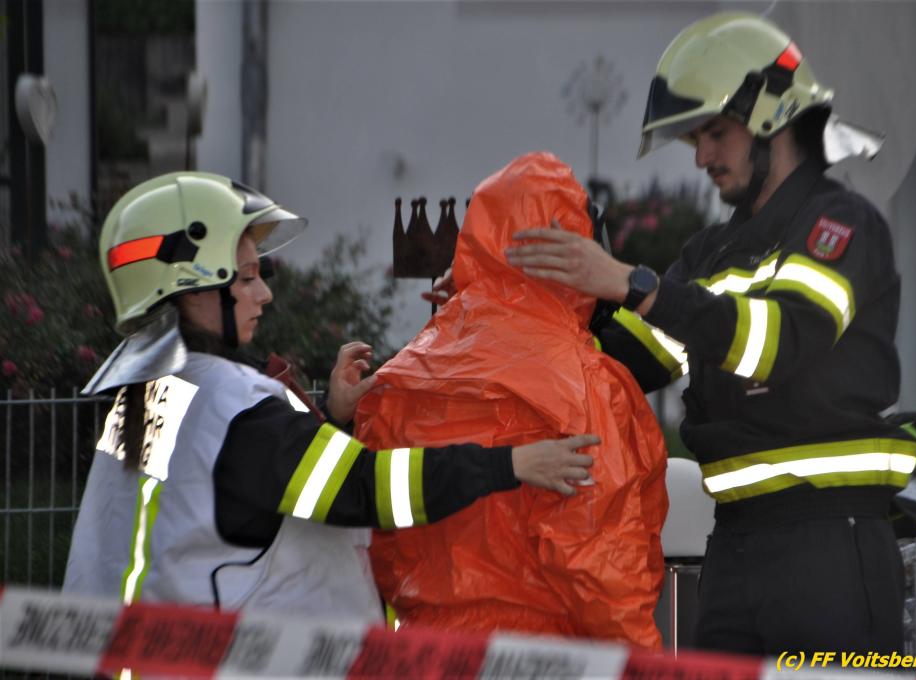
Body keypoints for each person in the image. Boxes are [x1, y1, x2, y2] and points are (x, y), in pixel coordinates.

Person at [503, 12, 916, 655]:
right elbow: (629, 362)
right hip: (734, 547)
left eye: (716, 134)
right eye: (696, 139)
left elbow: (779, 344)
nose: (701, 158)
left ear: (775, 119)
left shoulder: (838, 225)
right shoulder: (709, 254)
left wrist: (632, 283)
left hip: (828, 541)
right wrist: (504, 311)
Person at [62, 171, 597, 619]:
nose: (264, 294)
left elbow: (249, 496)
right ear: (191, 290)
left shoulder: (152, 396)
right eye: (246, 278)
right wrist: (511, 463)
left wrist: (333, 420)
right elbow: (364, 489)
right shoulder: (232, 406)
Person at [359, 152, 668, 648]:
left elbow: (375, 534)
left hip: (430, 650)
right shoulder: (586, 384)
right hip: (547, 656)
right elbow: (603, 569)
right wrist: (642, 664)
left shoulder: (401, 380)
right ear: (579, 247)